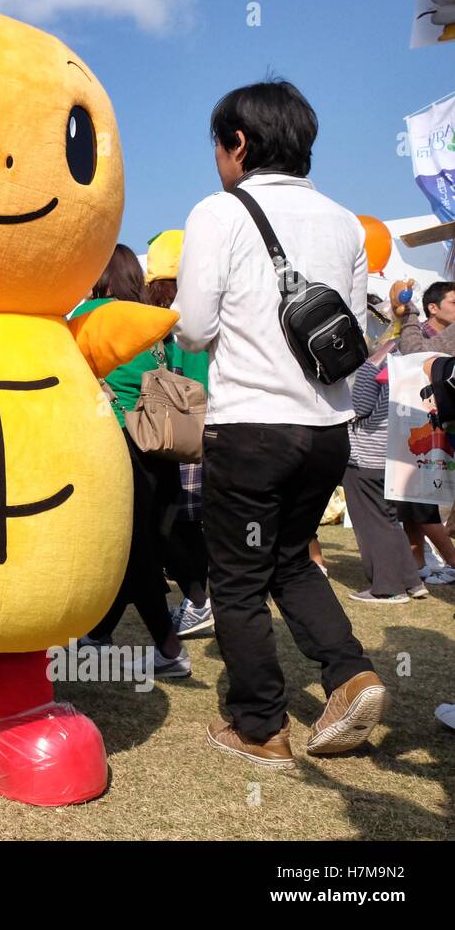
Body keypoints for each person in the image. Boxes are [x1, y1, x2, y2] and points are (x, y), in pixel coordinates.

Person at [174, 79, 385, 767]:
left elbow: (198, 328)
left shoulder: (220, 212)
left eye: (218, 144)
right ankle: (350, 673)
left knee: (236, 578)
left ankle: (260, 726)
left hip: (250, 428)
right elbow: (347, 333)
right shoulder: (345, 222)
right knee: (291, 561)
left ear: (237, 142)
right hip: (325, 428)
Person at [72, 244, 192, 679]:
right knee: (140, 544)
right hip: (161, 445)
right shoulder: (151, 321)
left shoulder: (89, 316)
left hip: (119, 443)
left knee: (133, 550)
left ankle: (169, 648)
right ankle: (100, 633)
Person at [142, 230, 214, 637]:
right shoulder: (207, 309)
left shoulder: (173, 320)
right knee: (192, 523)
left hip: (186, 428)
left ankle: (199, 601)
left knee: (174, 524)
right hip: (214, 425)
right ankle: (199, 600)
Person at [342, 336, 427, 602]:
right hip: (396, 455)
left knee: (371, 524)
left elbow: (361, 408)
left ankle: (387, 588)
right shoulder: (407, 366)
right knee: (389, 521)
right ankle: (411, 580)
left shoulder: (369, 369)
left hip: (366, 457)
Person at [391, 280, 455, 583]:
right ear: (435, 307)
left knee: (423, 504)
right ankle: (420, 562)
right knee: (414, 502)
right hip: (421, 429)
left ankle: (448, 562)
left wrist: (409, 314)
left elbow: (416, 353)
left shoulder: (438, 336)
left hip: (438, 432)